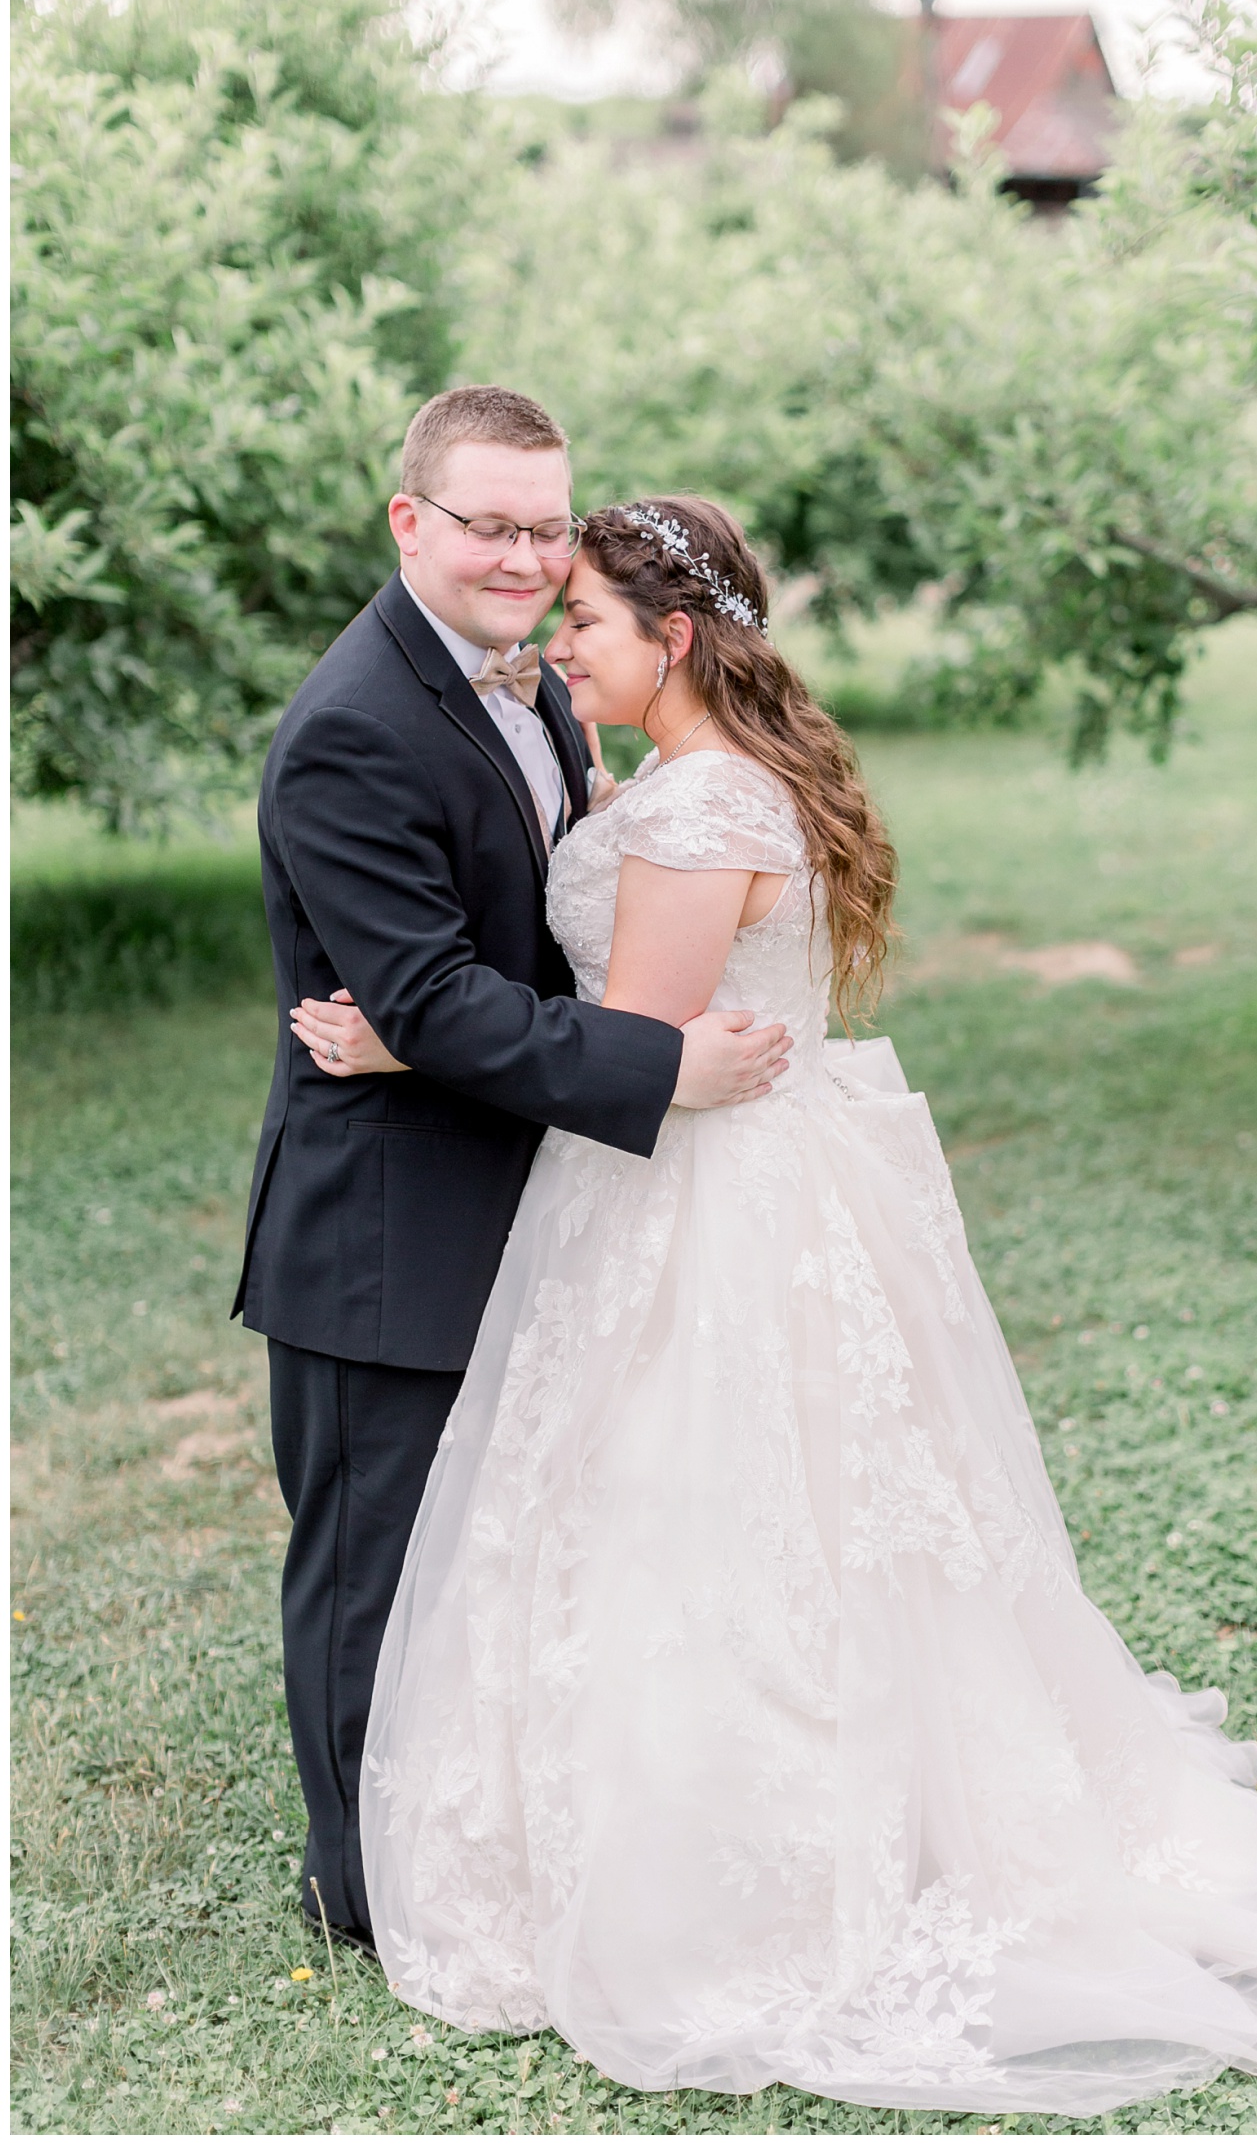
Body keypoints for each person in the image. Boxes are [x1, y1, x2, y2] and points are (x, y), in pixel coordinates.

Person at [302, 497, 1257, 2119]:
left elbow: (646, 1048)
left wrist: (402, 1039)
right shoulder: (689, 779)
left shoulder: (704, 808)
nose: (560, 648)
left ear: (672, 639)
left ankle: (743, 1860)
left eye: (591, 625)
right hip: (707, 1177)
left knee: (710, 1525)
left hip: (699, 1199)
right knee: (713, 1523)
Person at [233, 394, 791, 1957]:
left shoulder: (540, 690)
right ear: (411, 521)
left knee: (493, 1547)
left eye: (547, 527)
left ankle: (485, 1832)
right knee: (375, 1564)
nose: (526, 555)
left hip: (525, 1187)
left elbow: (527, 941)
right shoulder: (353, 724)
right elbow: (426, 996)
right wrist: (662, 1064)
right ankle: (361, 1891)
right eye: (490, 523)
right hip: (388, 1226)